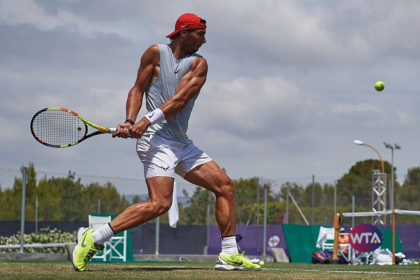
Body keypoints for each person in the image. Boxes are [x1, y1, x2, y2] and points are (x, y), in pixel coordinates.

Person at [72, 13, 261, 272]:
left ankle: (229, 253)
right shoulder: (154, 54)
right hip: (155, 141)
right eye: (200, 34)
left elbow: (180, 100)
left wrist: (145, 120)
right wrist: (129, 120)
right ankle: (94, 237)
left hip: (180, 142)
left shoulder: (199, 64)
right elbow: (137, 90)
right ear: (184, 32)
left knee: (225, 187)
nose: (204, 41)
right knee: (160, 204)